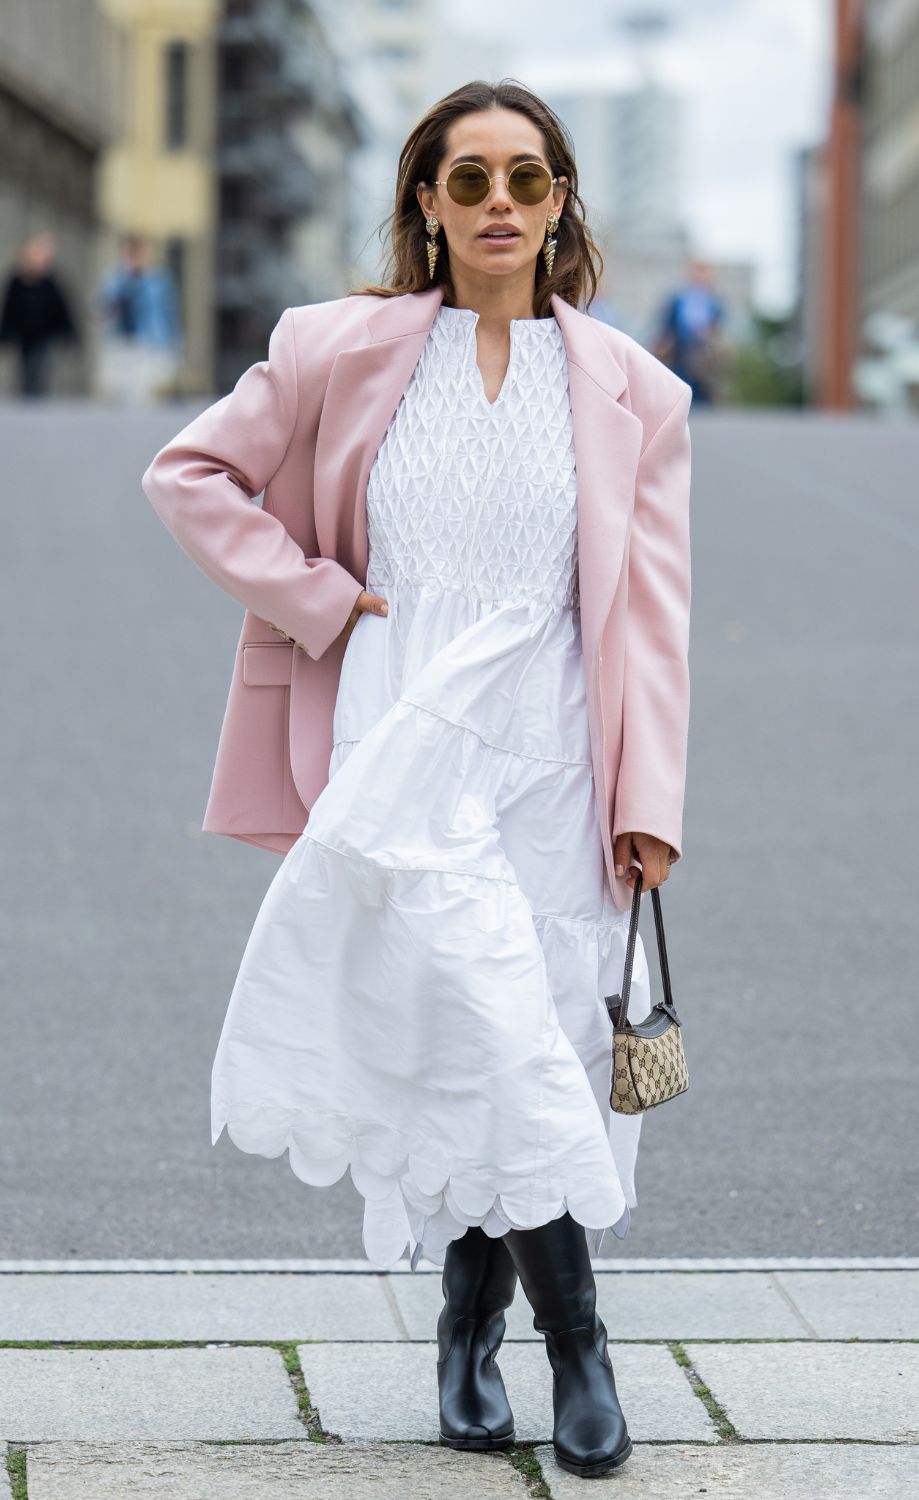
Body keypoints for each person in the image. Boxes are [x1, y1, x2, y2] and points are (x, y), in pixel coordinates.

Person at [141, 79, 693, 1479]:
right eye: (469, 181)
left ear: (562, 200)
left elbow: (651, 617)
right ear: (428, 206)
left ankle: (465, 1332)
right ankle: (578, 1346)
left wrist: (650, 805)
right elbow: (192, 473)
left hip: (557, 740)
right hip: (399, 725)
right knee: (469, 1016)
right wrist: (317, 599)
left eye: (526, 178)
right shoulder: (335, 349)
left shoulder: (637, 389)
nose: (498, 203)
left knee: (525, 1034)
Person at [94, 234, 183, 404]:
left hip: (149, 343)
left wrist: (175, 344)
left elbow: (169, 314)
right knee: (116, 392)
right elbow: (102, 307)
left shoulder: (159, 281)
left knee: (145, 395)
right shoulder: (115, 280)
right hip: (121, 342)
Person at [0, 231, 79, 398]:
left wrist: (68, 333)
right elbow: (9, 310)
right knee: (25, 372)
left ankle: (37, 398)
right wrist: (5, 334)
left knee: (40, 369)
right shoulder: (16, 282)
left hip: (44, 338)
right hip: (24, 338)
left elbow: (62, 311)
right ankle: (27, 397)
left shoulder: (51, 284)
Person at [655, 258, 725, 404]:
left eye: (703, 271)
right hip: (680, 353)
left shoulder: (714, 302)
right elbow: (667, 325)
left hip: (704, 357)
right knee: (680, 393)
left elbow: (717, 328)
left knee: (702, 396)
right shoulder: (678, 299)